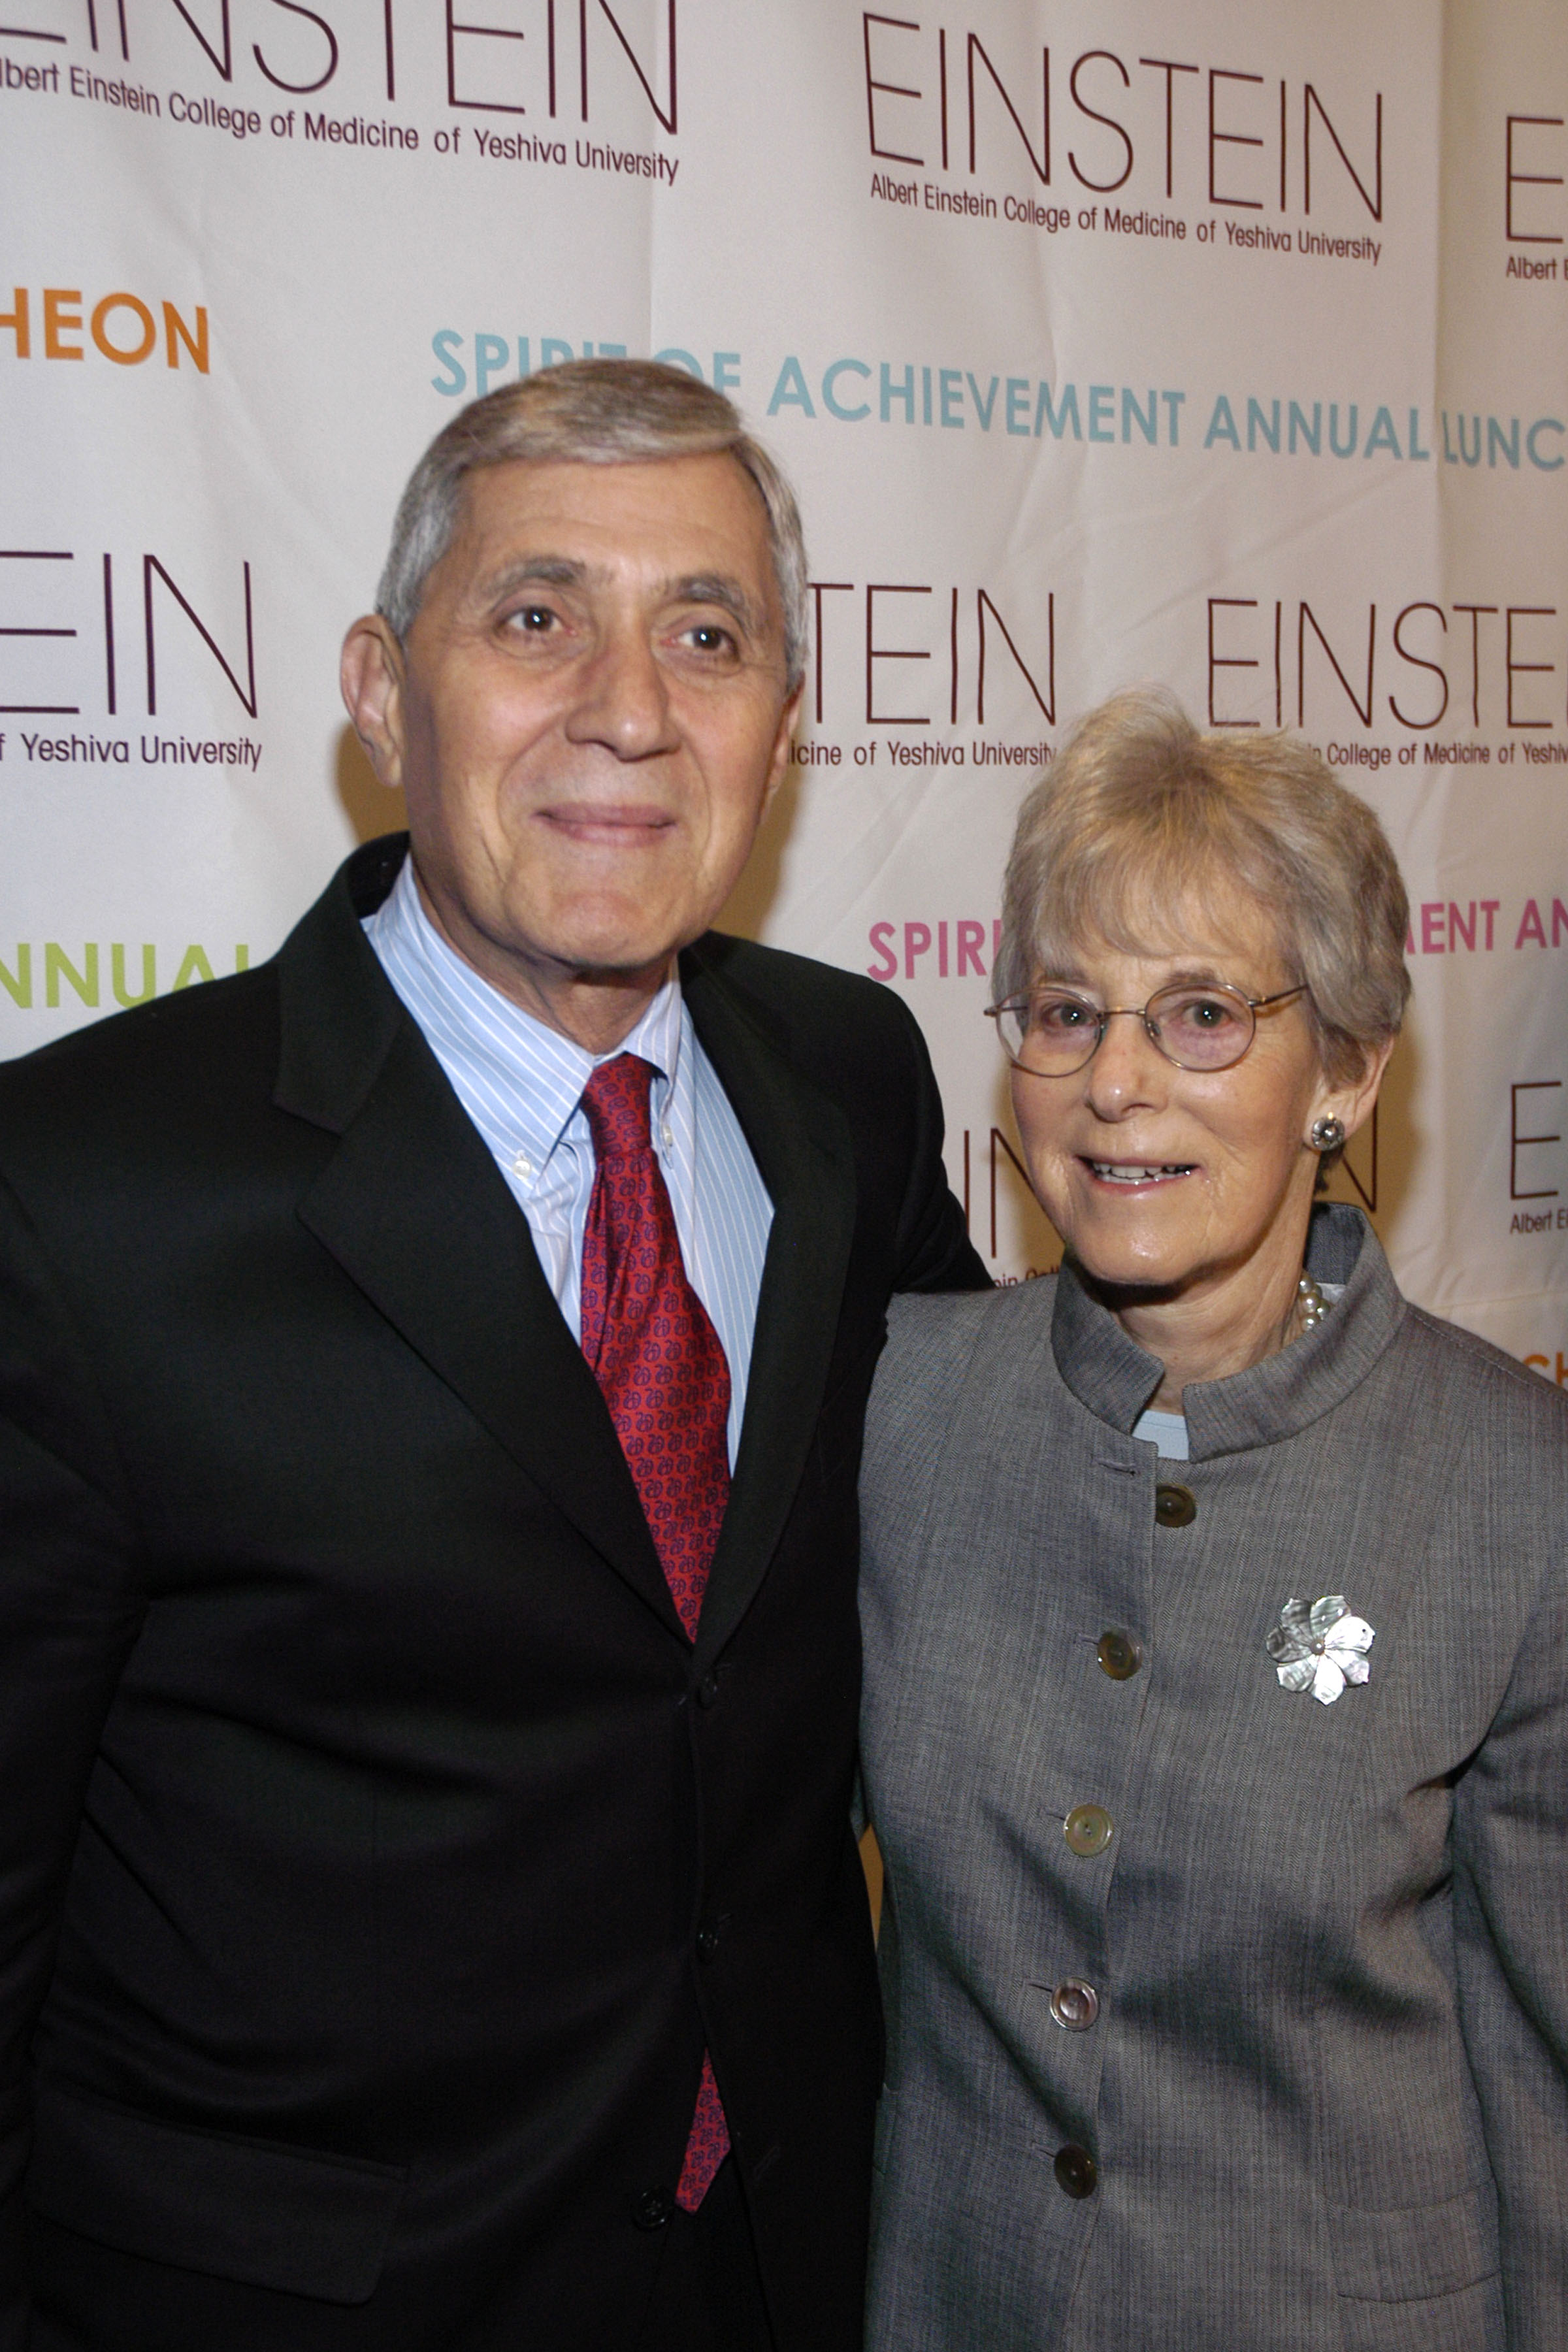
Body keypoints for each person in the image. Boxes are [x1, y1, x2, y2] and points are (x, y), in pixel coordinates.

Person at [0, 359, 987, 2352]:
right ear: (382, 687)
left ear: (783, 730)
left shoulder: (853, 1081)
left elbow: (989, 1512)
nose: (629, 705)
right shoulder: (75, 1194)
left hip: (787, 2265)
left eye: (705, 637)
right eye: (537, 618)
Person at [858, 687, 1568, 2351]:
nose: (1114, 1085)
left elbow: (1549, 2090)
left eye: (1197, 1017)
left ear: (1348, 1067)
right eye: (1065, 1009)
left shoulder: (1516, 1487)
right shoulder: (899, 1406)